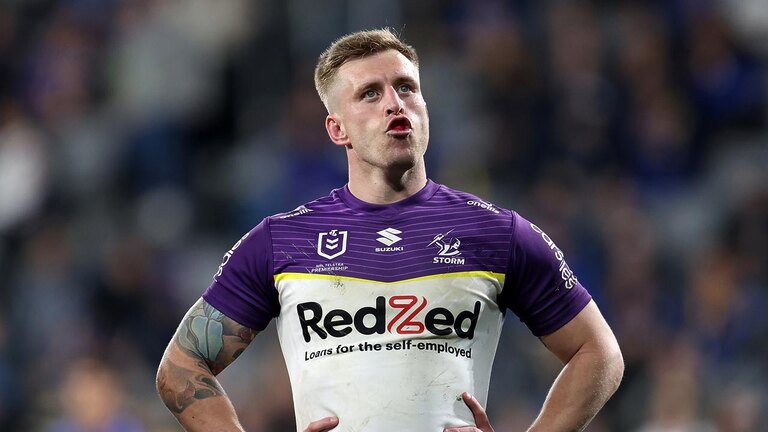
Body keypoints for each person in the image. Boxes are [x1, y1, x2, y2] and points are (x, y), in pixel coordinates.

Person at [156, 28, 624, 432]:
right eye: (370, 93)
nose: (395, 103)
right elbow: (180, 368)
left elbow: (599, 353)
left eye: (407, 88)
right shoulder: (280, 242)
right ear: (336, 129)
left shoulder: (496, 233)